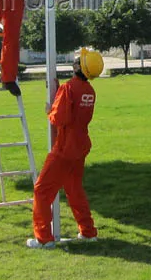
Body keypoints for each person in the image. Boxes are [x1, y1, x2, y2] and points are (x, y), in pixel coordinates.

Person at [27, 48, 104, 249]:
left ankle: (43, 239)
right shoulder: (89, 91)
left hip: (64, 147)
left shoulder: (68, 88)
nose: (75, 61)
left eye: (78, 60)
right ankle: (88, 231)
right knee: (74, 189)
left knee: (42, 190)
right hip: (80, 146)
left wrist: (49, 111)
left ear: (80, 67)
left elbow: (59, 118)